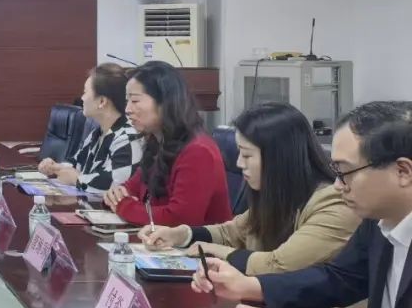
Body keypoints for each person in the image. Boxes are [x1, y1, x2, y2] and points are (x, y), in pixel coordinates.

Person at [195, 101, 412, 308]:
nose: (338, 185)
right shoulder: (379, 219)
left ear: (403, 172)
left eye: (345, 172)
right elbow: (340, 279)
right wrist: (251, 286)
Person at [139, 102, 360, 275]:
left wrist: (220, 252)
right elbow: (231, 232)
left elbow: (279, 264)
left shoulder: (333, 203)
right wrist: (180, 235)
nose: (239, 164)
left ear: (278, 158)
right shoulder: (279, 194)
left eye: (246, 155)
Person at [104, 61, 231, 226]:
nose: (127, 109)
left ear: (165, 102)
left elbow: (179, 219)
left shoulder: (198, 151)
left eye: (135, 101)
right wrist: (115, 195)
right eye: (127, 101)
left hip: (195, 242)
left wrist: (123, 206)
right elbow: (131, 188)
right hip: (158, 239)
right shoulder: (157, 141)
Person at [37, 63, 141, 195]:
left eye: (85, 92)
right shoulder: (97, 133)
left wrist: (76, 179)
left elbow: (114, 184)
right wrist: (56, 167)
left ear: (102, 102)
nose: (82, 98)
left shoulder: (128, 137)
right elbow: (76, 164)